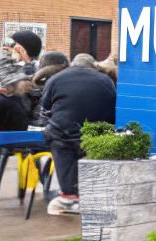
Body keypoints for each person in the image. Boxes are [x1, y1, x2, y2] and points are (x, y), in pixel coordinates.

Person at [37, 52, 116, 216]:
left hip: (62, 133)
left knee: (58, 142)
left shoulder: (56, 78)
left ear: (73, 64)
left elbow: (44, 110)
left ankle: (69, 196)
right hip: (95, 135)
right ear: (93, 66)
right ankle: (90, 194)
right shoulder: (106, 80)